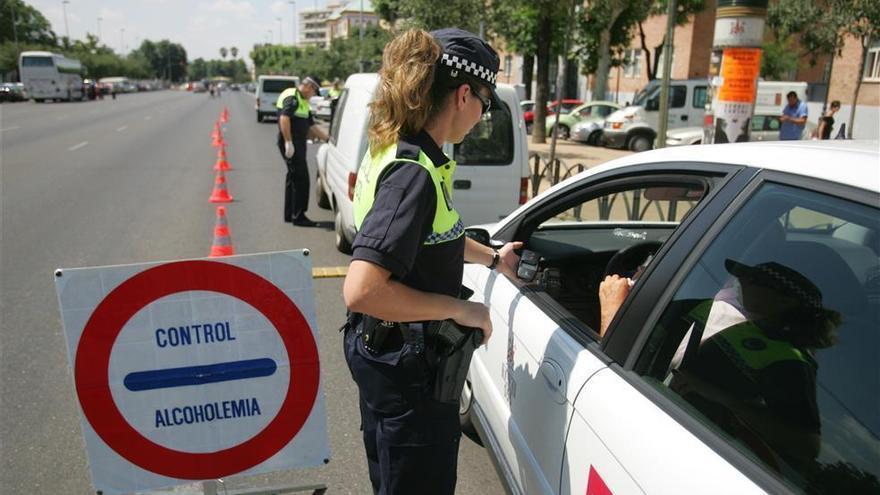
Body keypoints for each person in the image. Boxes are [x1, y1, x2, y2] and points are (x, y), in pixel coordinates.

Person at [341, 28, 522, 494]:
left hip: (381, 354)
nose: (483, 117)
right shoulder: (413, 174)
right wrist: (461, 309)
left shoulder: (394, 150)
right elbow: (363, 288)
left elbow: (427, 237)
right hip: (408, 375)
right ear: (465, 94)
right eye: (486, 104)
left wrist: (493, 256)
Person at [276, 76, 329, 226]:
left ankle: (290, 214)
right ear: (308, 86)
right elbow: (284, 118)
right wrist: (288, 142)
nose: (313, 95)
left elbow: (311, 125)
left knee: (292, 178)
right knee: (301, 179)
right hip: (292, 143)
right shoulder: (293, 97)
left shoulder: (303, 102)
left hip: (297, 143)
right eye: (313, 91)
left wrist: (327, 138)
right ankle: (299, 217)